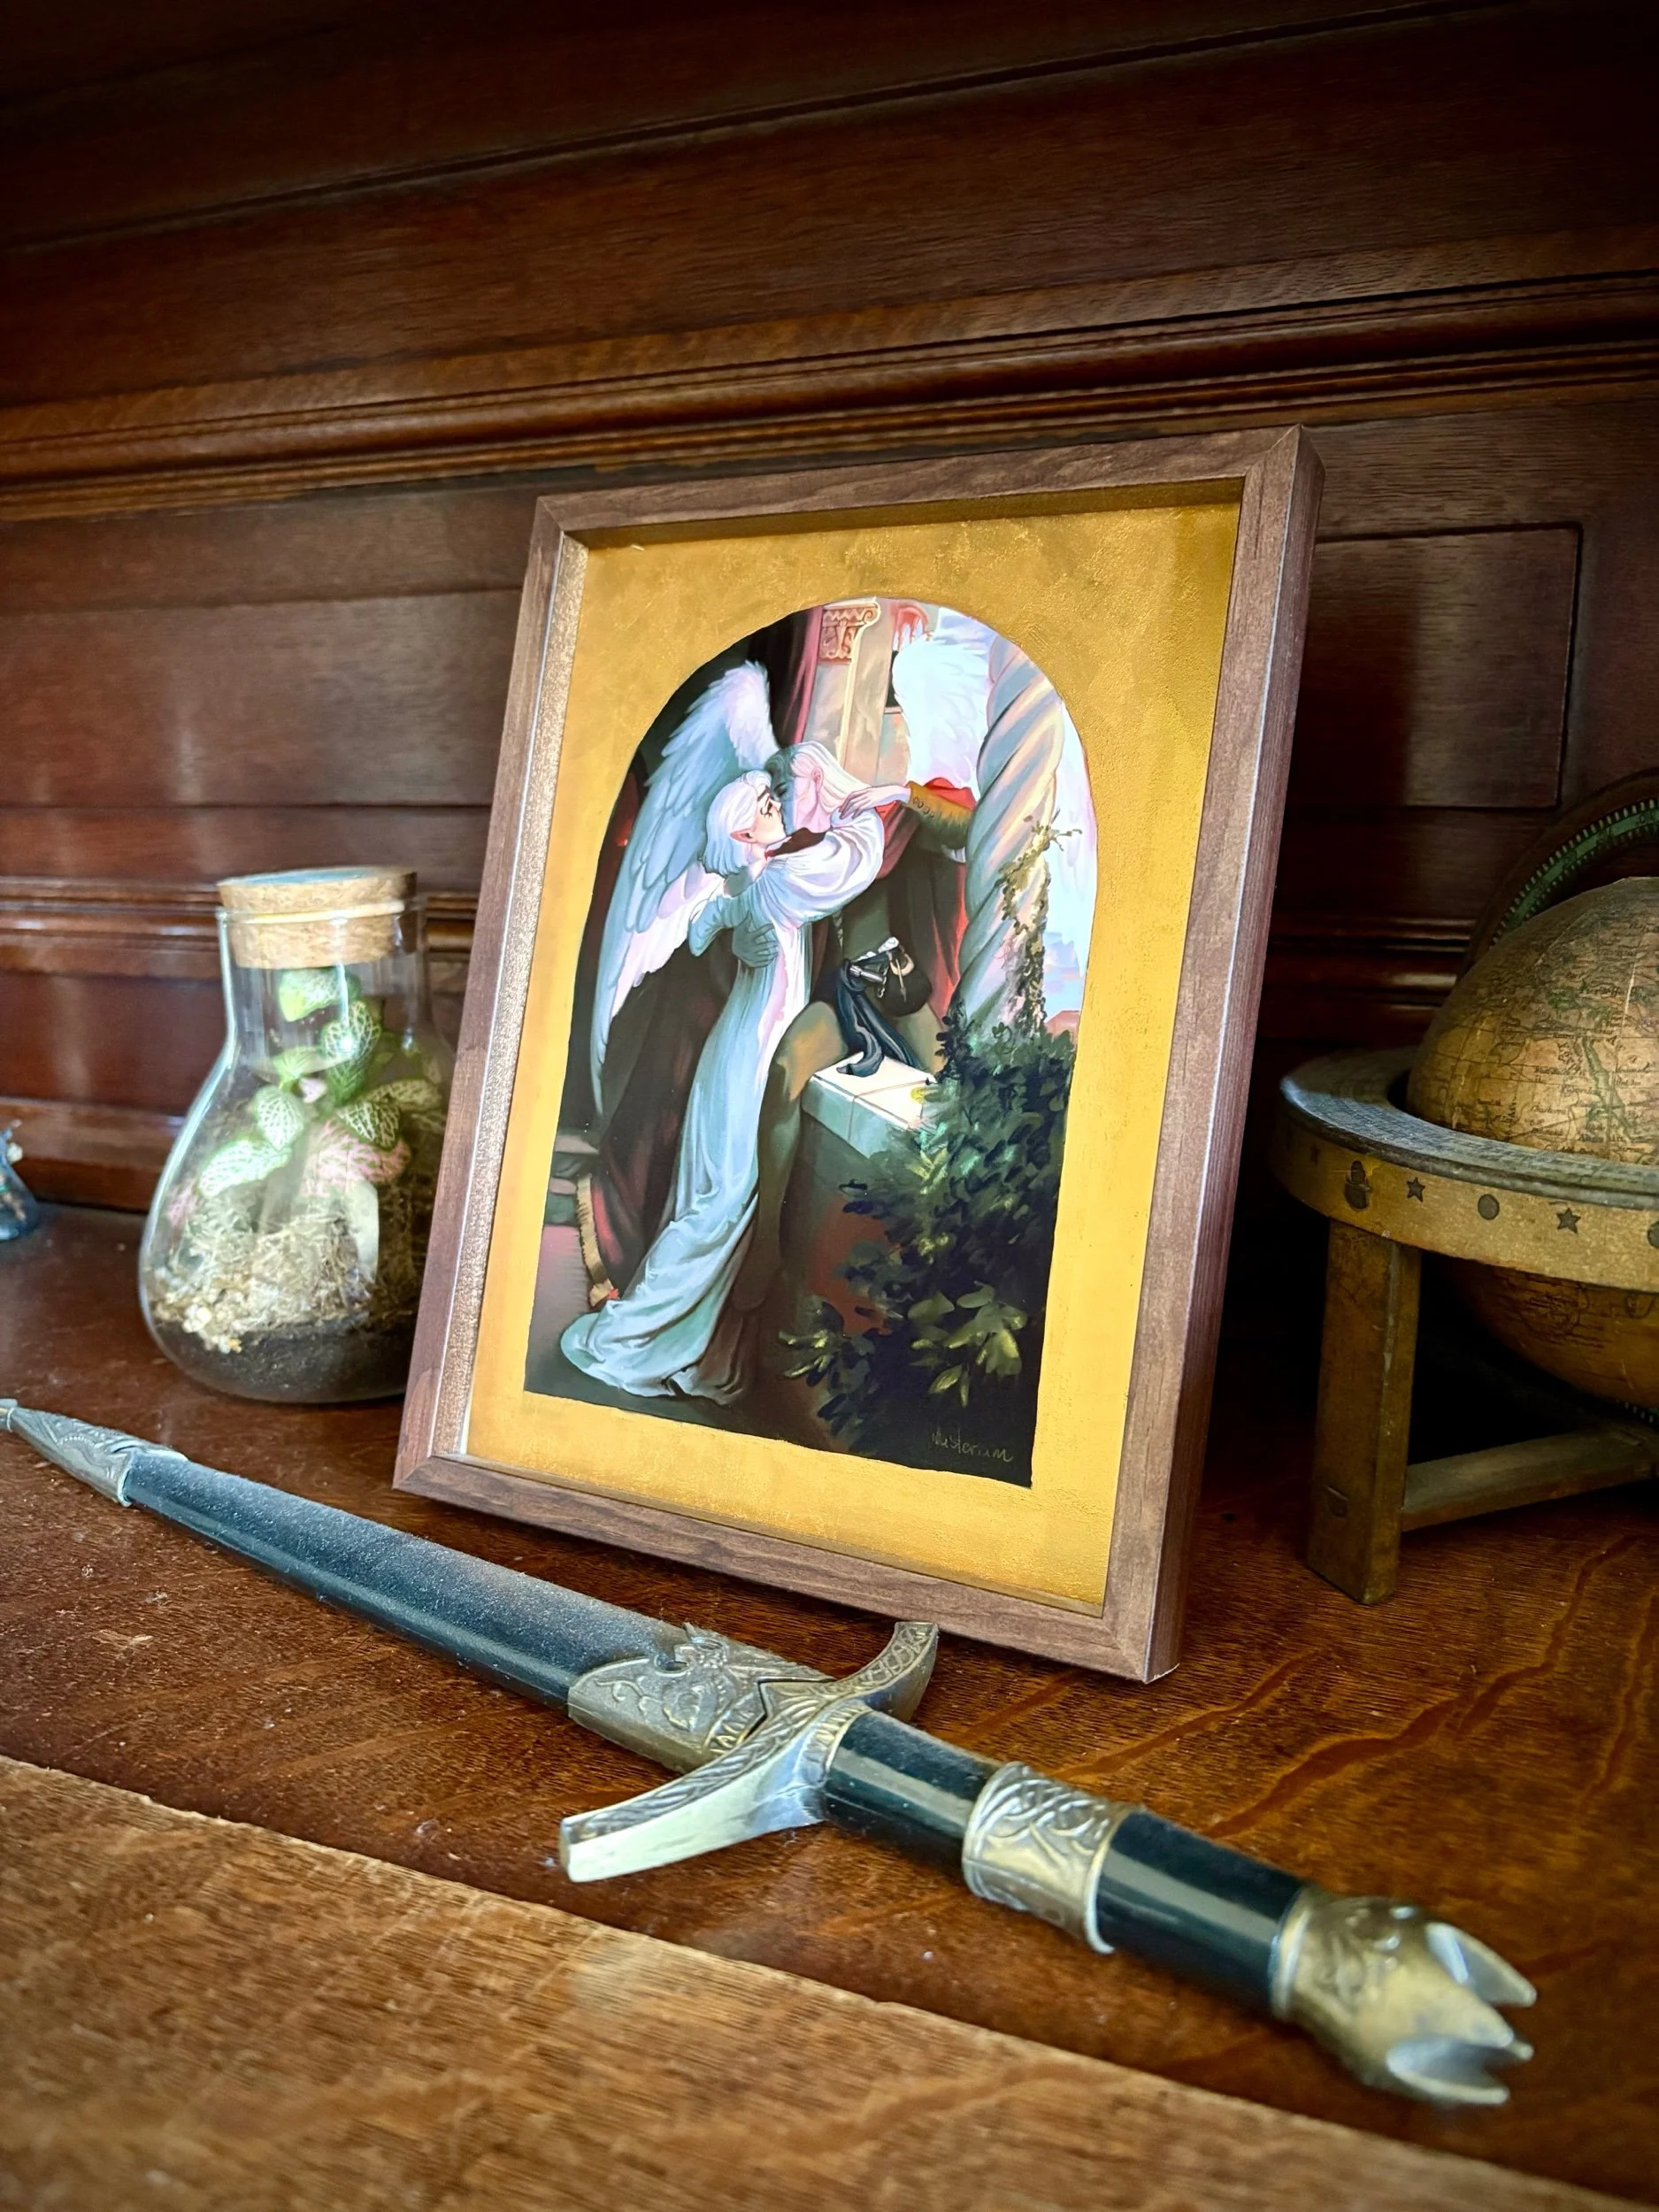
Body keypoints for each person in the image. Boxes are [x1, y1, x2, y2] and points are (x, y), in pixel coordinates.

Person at [560, 767, 895, 1404]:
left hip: (734, 1047)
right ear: (743, 832)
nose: (778, 807)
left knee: (710, 1199)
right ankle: (634, 1337)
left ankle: (680, 1343)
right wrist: (856, 803)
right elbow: (853, 861)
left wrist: (739, 924)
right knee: (719, 1204)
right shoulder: (777, 882)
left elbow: (696, 932)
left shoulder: (744, 885)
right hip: (748, 1053)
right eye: (766, 805)